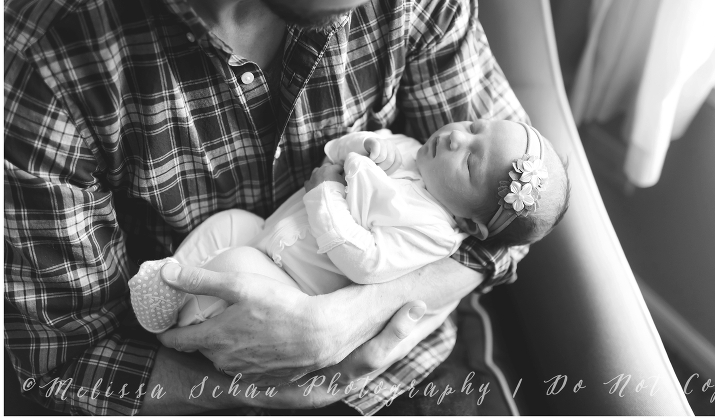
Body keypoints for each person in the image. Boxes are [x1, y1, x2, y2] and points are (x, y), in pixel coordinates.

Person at [5, 0, 530, 415]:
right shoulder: (43, 65)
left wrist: (347, 318)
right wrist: (271, 394)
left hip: (406, 371)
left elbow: (514, 210)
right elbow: (60, 364)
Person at [129, 120, 569, 333]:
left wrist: (326, 191)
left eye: (471, 161)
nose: (458, 138)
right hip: (269, 232)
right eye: (475, 127)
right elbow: (338, 148)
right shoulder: (411, 151)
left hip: (289, 282)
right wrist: (366, 145)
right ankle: (168, 283)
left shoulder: (433, 232)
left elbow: (365, 261)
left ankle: (181, 325)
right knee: (230, 224)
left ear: (472, 225)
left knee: (235, 263)